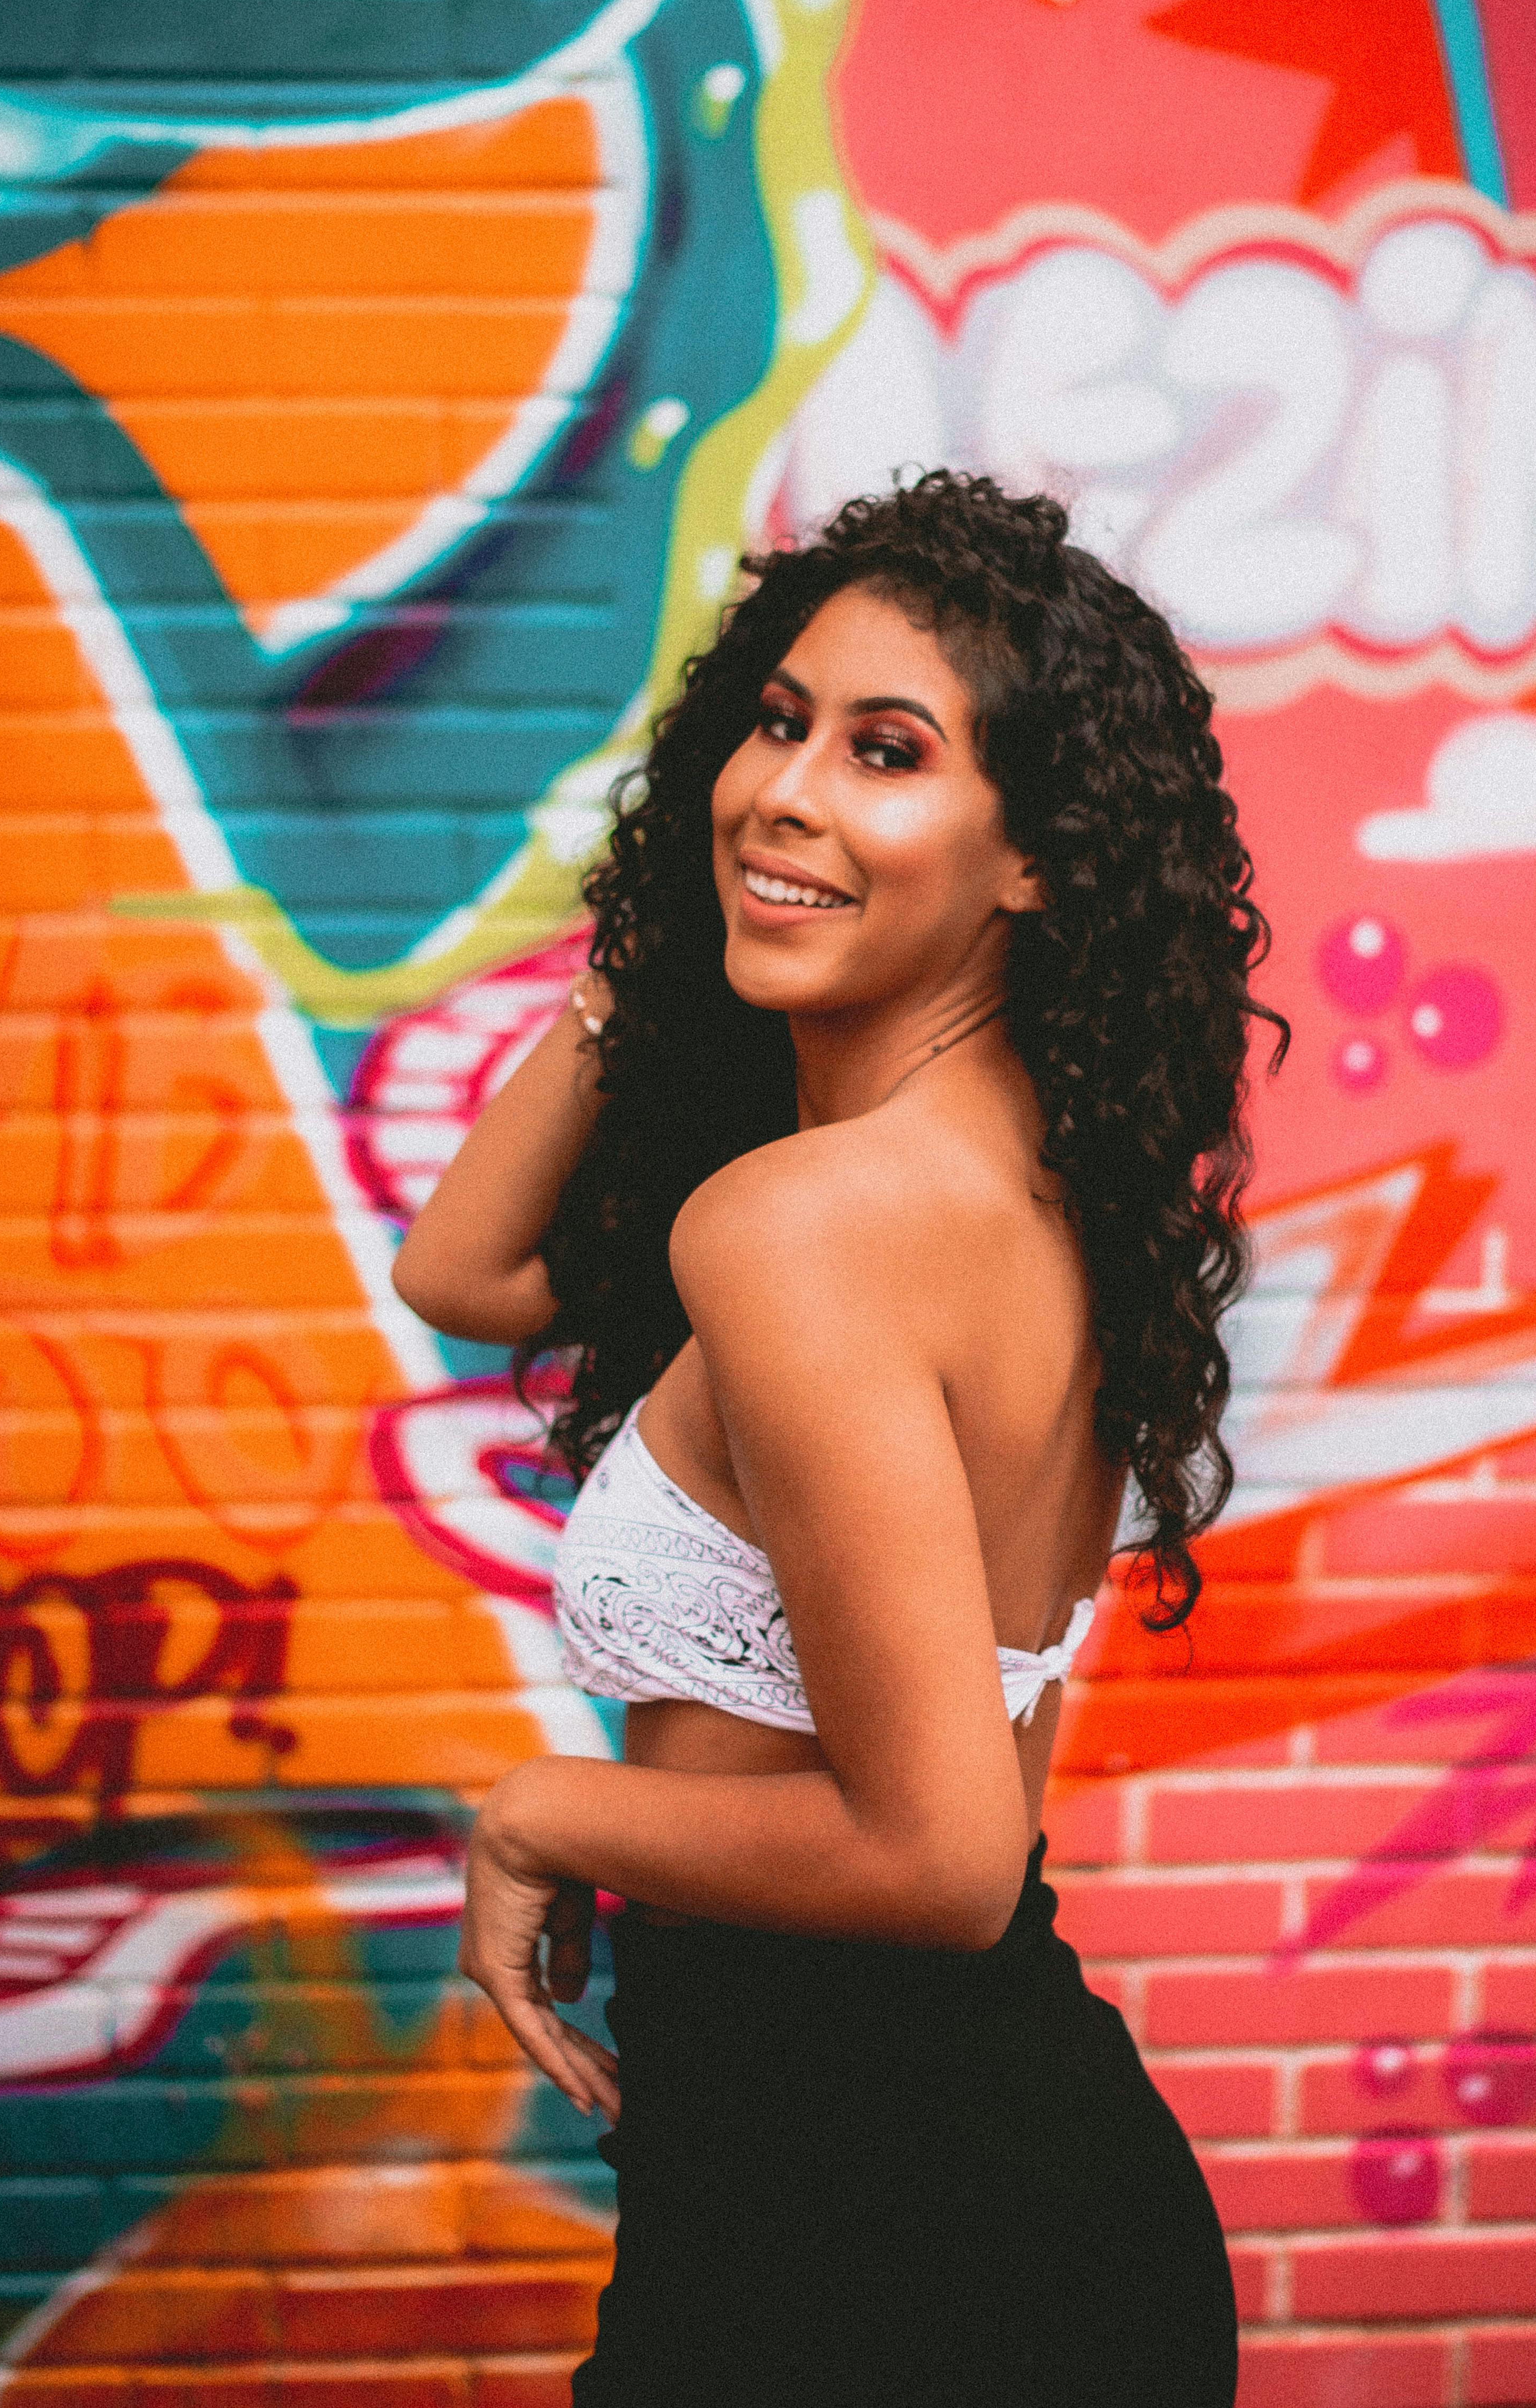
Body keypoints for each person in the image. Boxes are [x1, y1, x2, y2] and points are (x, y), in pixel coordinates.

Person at [392, 471, 1286, 2405]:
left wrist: (540, 1813)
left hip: (889, 2236)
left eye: (886, 754)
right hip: (934, 2193)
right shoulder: (1014, 1186)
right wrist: (678, 939)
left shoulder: (808, 1228)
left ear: (1035, 856)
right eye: (773, 726)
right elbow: (468, 1274)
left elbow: (943, 1860)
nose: (783, 787)